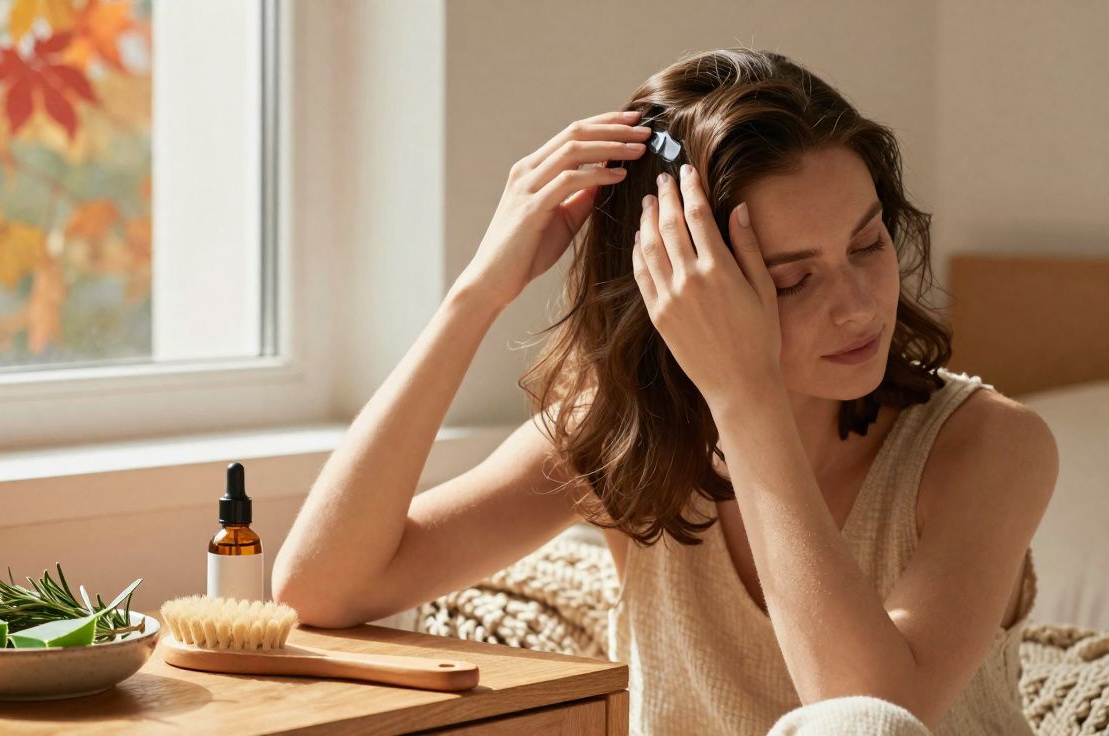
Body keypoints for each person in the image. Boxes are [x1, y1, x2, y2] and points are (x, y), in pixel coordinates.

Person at [272, 48, 1057, 735]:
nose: (856, 304)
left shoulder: (989, 446)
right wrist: (478, 292)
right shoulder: (626, 437)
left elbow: (869, 716)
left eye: (868, 242)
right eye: (792, 281)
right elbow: (321, 588)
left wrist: (745, 398)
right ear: (675, 288)